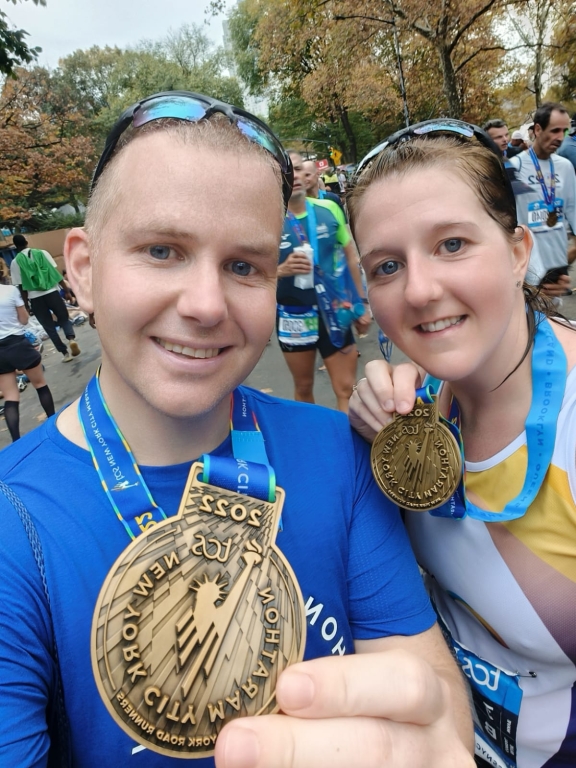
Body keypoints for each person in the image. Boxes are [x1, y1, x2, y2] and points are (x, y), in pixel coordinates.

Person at [0, 93, 473, 767]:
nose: (204, 305)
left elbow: (433, 706)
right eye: (162, 250)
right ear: (82, 269)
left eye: (245, 266)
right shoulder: (14, 530)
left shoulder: (338, 457)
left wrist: (431, 738)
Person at [344, 119, 576, 767]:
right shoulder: (413, 408)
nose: (418, 290)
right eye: (387, 265)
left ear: (518, 249)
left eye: (451, 244)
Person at [277, 151, 370, 411]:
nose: (293, 176)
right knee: (304, 388)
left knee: (345, 387)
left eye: (297, 169)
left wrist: (362, 303)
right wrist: (281, 270)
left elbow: (351, 257)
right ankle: (313, 445)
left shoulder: (329, 208)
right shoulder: (269, 220)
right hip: (294, 315)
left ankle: (345, 446)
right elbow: (253, 274)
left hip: (336, 310)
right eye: (287, 170)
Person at [509, 102, 576, 298]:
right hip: (526, 271)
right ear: (537, 129)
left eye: (564, 131)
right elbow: (505, 221)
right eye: (554, 130)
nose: (560, 138)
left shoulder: (565, 167)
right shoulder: (515, 167)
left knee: (554, 325)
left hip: (557, 271)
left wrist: (568, 259)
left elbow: (572, 211)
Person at [10, 235, 81, 362]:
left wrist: (26, 305)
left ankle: (65, 353)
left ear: (15, 246)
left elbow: (21, 287)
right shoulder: (42, 253)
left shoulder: (15, 263)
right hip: (52, 293)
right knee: (63, 317)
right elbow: (55, 274)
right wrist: (66, 291)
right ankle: (71, 339)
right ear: (26, 242)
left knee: (49, 327)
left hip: (35, 299)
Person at [0, 282, 55, 441]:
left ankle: (16, 441)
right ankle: (52, 423)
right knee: (40, 385)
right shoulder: (10, 291)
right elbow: (24, 320)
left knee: (11, 397)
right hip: (17, 344)